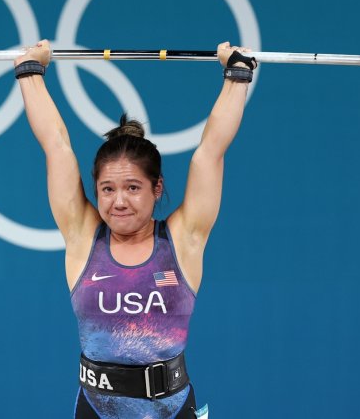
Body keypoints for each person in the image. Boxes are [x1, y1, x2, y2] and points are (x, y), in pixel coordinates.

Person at [14, 40, 257, 419]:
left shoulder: (184, 238)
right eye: (107, 189)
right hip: (95, 409)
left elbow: (211, 150)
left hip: (172, 410)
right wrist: (30, 71)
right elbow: (56, 146)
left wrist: (237, 74)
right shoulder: (82, 236)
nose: (119, 201)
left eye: (132, 188)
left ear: (156, 188)